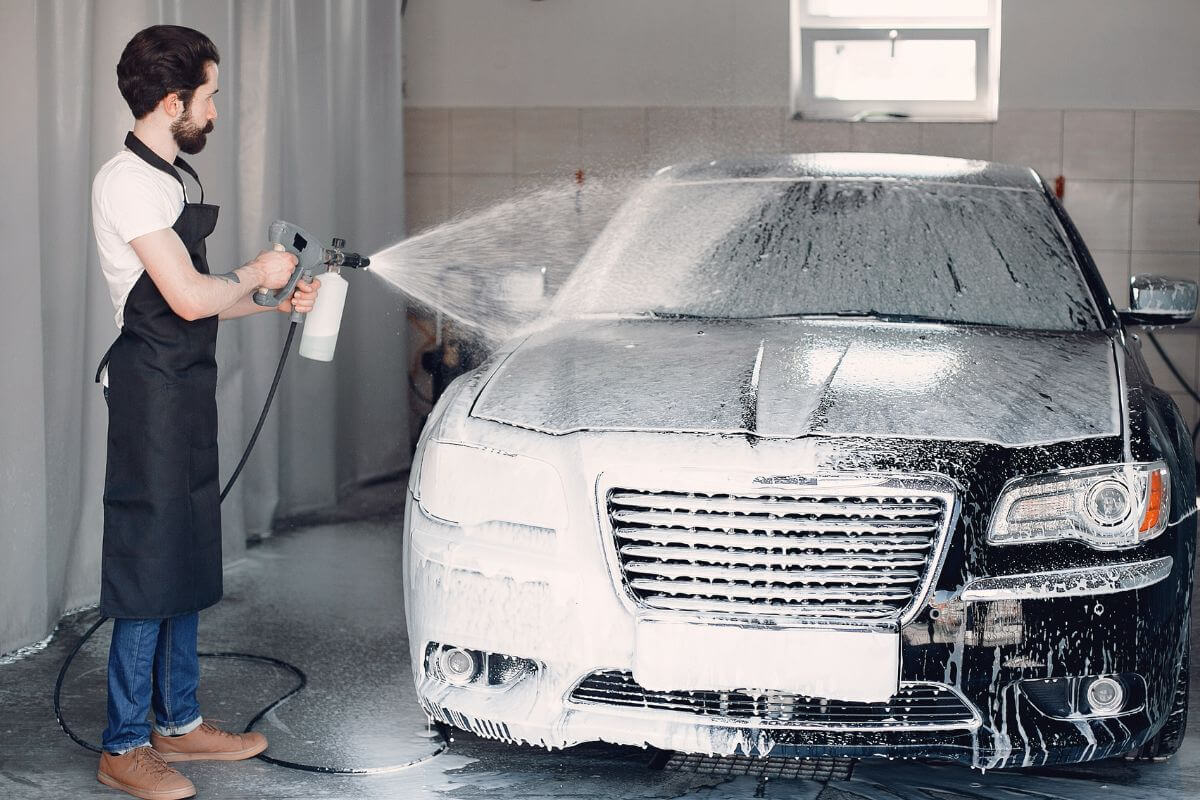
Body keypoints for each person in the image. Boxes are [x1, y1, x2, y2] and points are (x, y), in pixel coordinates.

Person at [90, 25, 319, 800]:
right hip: (150, 391)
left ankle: (178, 724)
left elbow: (205, 304)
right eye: (209, 96)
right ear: (171, 100)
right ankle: (123, 743)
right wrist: (256, 271)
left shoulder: (170, 177)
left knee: (186, 550)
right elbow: (187, 297)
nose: (215, 110)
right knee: (148, 561)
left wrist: (275, 299)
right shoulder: (129, 182)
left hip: (184, 384)